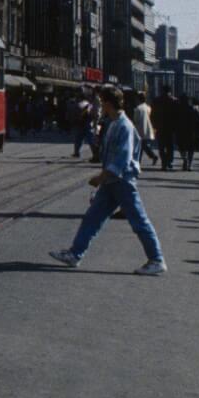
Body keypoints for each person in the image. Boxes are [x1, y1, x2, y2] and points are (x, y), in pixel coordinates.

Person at [48, 86, 168, 276]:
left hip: (122, 181)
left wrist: (100, 177)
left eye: (102, 102)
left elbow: (122, 159)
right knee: (92, 218)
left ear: (109, 103)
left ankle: (156, 259)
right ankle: (75, 253)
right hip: (112, 182)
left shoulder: (123, 126)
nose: (100, 106)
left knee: (139, 221)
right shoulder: (114, 123)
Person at [130, 91, 159, 165]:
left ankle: (139, 160)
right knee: (143, 145)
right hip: (148, 128)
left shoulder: (137, 109)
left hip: (139, 129)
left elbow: (135, 120)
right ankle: (152, 156)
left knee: (140, 146)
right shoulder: (148, 108)